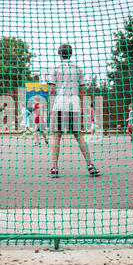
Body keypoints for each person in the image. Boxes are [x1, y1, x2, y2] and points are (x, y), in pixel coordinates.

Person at [48, 44, 100, 177]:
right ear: (71, 54)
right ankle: (90, 165)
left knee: (57, 136)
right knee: (78, 135)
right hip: (74, 105)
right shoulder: (78, 69)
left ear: (59, 54)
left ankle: (54, 168)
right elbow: (83, 90)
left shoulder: (56, 69)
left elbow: (52, 90)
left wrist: (50, 108)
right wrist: (82, 108)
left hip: (60, 104)